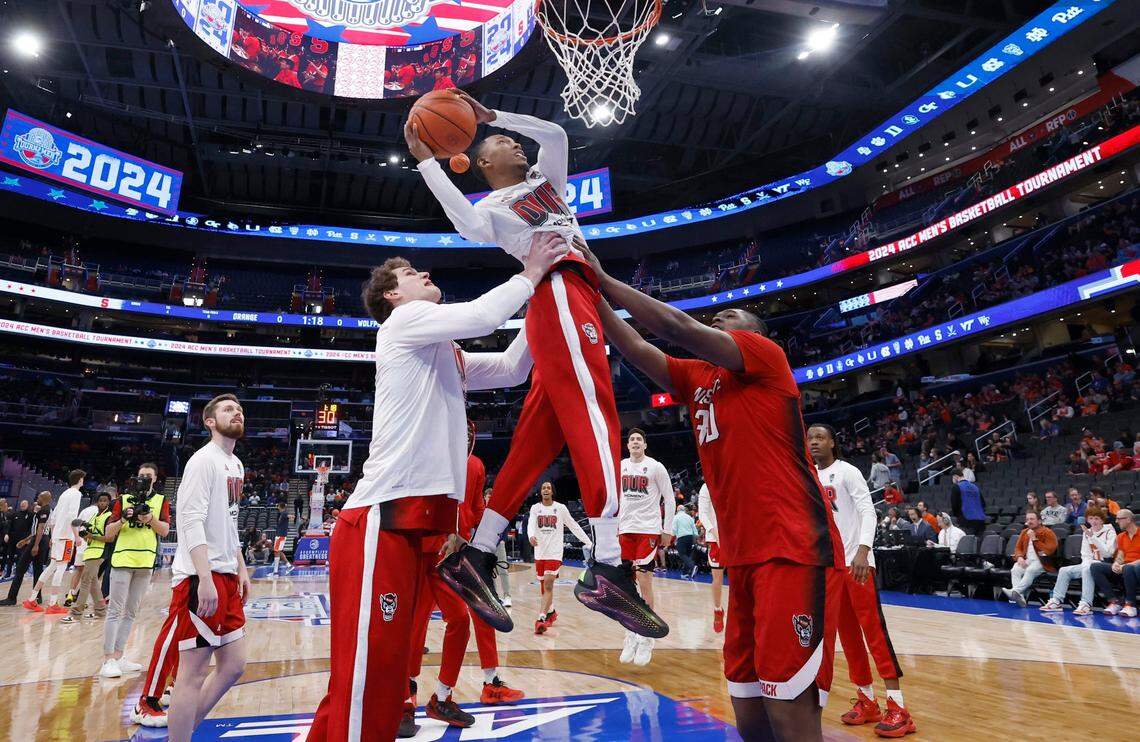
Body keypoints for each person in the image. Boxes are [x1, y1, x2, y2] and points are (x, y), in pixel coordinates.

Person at [415, 92, 666, 640]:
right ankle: (608, 560)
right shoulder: (488, 209)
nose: (515, 143)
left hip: (574, 293)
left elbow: (555, 135)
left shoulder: (547, 183)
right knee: (596, 412)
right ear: (483, 164)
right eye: (504, 142)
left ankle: (476, 555)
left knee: (538, 436)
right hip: (556, 291)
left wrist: (493, 116)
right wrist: (428, 162)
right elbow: (462, 222)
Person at [578, 242, 844, 742]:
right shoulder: (698, 377)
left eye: (733, 315)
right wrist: (588, 294)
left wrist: (605, 279)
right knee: (746, 705)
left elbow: (679, 329)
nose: (721, 317)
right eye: (716, 315)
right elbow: (639, 349)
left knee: (789, 705)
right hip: (742, 555)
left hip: (792, 547)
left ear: (755, 336)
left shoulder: (767, 358)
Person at [310, 237, 561, 742]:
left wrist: (547, 300)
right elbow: (484, 317)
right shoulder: (402, 325)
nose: (422, 272)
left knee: (382, 675)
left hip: (418, 527)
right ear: (392, 298)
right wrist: (531, 273)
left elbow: (513, 368)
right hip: (380, 518)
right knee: (368, 677)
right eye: (409, 272)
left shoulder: (445, 352)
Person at [136, 395, 251, 740]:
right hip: (202, 576)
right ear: (210, 421)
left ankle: (182, 730)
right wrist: (204, 578)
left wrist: (241, 566)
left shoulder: (237, 464)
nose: (237, 413)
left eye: (239, 409)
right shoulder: (203, 461)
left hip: (226, 572)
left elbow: (230, 523)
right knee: (193, 673)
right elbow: (190, 521)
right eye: (228, 409)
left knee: (233, 665)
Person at [404, 425, 525, 736]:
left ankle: (446, 696)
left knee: (466, 618)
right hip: (423, 550)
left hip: (457, 556)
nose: (465, 436)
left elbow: (476, 508)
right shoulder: (427, 455)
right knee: (414, 625)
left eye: (470, 433)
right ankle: (405, 699)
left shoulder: (475, 466)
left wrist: (480, 541)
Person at [808, 424, 916, 738]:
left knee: (874, 634)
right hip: (831, 568)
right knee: (849, 638)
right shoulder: (811, 477)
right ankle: (867, 701)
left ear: (832, 442)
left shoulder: (848, 471)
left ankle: (898, 708)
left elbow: (869, 512)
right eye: (810, 438)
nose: (814, 442)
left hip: (857, 565)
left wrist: (862, 551)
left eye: (820, 437)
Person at [99, 462, 172, 679]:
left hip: (146, 561)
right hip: (123, 559)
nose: (144, 479)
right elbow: (108, 532)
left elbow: (165, 531)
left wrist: (149, 519)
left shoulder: (161, 501)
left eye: (148, 476)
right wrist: (123, 518)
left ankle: (120, 656)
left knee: (131, 612)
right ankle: (108, 659)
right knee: (115, 610)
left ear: (155, 479)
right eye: (141, 476)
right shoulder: (122, 500)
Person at [616, 427, 675, 665]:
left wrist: (667, 529)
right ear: (627, 445)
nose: (636, 442)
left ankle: (647, 633)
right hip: (625, 529)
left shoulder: (655, 466)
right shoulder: (619, 465)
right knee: (626, 583)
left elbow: (669, 498)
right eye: (632, 439)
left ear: (645, 445)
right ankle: (631, 630)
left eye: (640, 439)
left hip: (648, 529)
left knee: (644, 579)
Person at [528, 482, 593, 634]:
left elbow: (573, 526)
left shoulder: (560, 508)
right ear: (540, 492)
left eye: (548, 488)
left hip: (555, 553)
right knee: (544, 587)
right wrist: (531, 535)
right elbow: (531, 524)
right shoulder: (535, 508)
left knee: (549, 585)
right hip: (540, 552)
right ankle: (551, 612)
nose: (545, 490)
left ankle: (541, 618)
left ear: (552, 492)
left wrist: (589, 542)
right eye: (543, 488)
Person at [24, 469, 84, 614]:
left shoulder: (64, 493)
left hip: (57, 535)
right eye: (83, 479)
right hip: (66, 536)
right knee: (61, 568)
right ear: (80, 479)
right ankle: (52, 604)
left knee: (51, 567)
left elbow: (53, 518)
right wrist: (76, 536)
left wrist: (52, 536)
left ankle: (32, 599)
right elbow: (72, 516)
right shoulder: (76, 494)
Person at [1041, 506, 1116, 615]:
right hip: (1088, 564)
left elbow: (1108, 553)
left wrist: (1093, 538)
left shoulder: (1109, 531)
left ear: (1101, 520)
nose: (1093, 521)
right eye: (1091, 518)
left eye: (1096, 518)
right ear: (1087, 520)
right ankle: (1056, 601)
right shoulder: (1087, 532)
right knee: (1064, 570)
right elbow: (1085, 554)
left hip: (1104, 565)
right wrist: (1087, 562)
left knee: (1087, 569)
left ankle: (1086, 604)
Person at [61, 489, 114, 623]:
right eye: (100, 500)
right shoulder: (95, 516)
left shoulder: (109, 516)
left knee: (85, 581)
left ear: (109, 502)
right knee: (93, 583)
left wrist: (91, 536)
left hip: (100, 551)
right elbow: (88, 534)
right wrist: (86, 535)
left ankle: (76, 613)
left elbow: (109, 538)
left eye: (105, 500)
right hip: (90, 550)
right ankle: (101, 611)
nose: (102, 502)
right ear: (97, 502)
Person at [0, 491, 52, 606]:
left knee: (20, 569)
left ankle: (11, 598)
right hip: (41, 540)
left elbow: (41, 528)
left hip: (39, 541)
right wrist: (25, 541)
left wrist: (35, 545)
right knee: (38, 570)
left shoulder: (44, 510)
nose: (37, 498)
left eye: (38, 497)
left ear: (43, 498)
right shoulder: (46, 509)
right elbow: (37, 530)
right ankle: (37, 597)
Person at [1001, 511, 1059, 608]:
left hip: (1042, 561)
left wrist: (1035, 539)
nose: (1029, 521)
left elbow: (1049, 550)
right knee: (1015, 569)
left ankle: (1016, 592)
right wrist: (1019, 557)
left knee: (1030, 570)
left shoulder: (1048, 532)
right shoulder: (1024, 532)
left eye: (1032, 519)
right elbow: (1018, 548)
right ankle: (1021, 597)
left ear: (1039, 521)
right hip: (1027, 560)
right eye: (1027, 519)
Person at [1088, 508, 1139, 617]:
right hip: (1124, 569)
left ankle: (1131, 605)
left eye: (1119, 519)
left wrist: (1126, 565)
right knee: (1095, 567)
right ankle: (1114, 601)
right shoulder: (1121, 536)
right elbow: (1120, 555)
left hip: (1136, 569)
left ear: (1129, 519)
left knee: (1128, 568)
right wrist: (1117, 563)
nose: (1116, 521)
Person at [697, 481, 725, 633]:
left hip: (736, 536)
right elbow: (703, 513)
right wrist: (716, 533)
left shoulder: (734, 479)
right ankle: (717, 609)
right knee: (718, 578)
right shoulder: (706, 487)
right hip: (715, 538)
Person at [949, 470, 986, 538]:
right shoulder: (975, 487)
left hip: (966, 520)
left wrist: (957, 516)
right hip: (980, 520)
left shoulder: (956, 487)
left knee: (968, 544)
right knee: (979, 544)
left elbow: (954, 505)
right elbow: (983, 503)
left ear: (955, 477)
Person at [671, 504, 699, 580]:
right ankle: (684, 573)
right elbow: (694, 529)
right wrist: (696, 537)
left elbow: (673, 529)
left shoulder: (676, 517)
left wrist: (673, 537)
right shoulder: (689, 517)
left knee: (682, 554)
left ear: (677, 510)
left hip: (682, 537)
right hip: (690, 537)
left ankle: (693, 566)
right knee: (687, 555)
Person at [272, 502, 293, 575]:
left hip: (280, 536)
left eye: (278, 506)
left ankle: (275, 571)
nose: (277, 507)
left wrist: (291, 516)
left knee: (276, 552)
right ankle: (289, 566)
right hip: (280, 535)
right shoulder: (282, 514)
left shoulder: (284, 513)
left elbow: (289, 516)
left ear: (281, 506)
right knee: (279, 551)